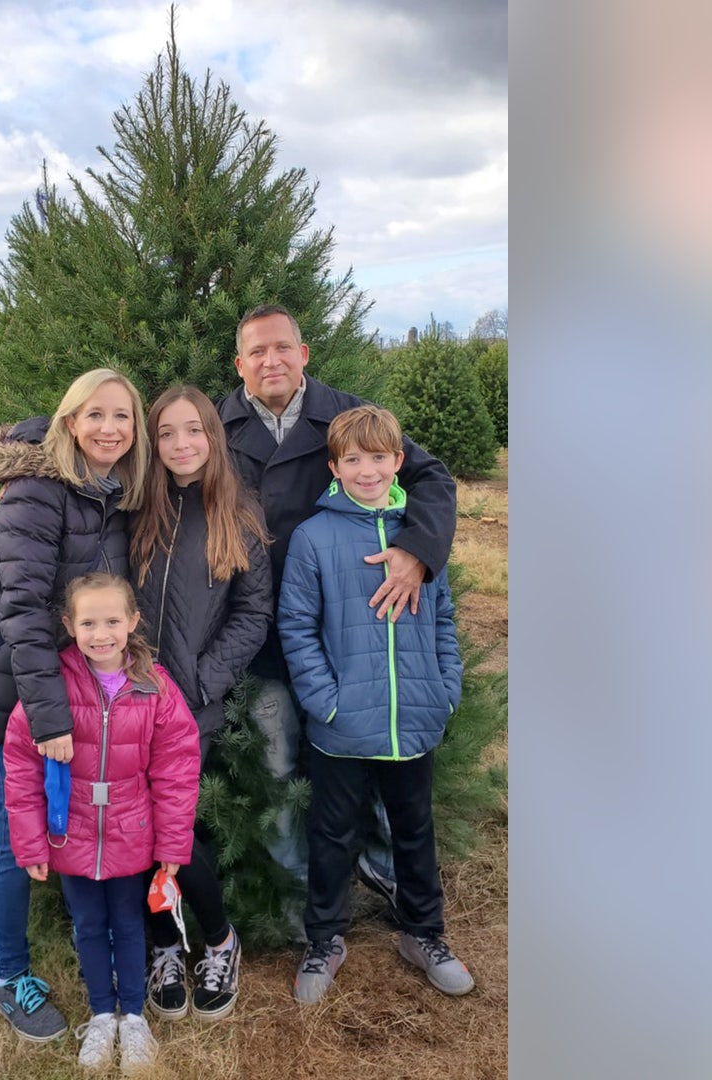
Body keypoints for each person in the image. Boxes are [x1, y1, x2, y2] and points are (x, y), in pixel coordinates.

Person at [216, 305, 457, 908]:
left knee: (371, 756)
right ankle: (304, 888)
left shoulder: (345, 416)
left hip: (357, 632)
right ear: (240, 365)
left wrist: (416, 552)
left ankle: (380, 868)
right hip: (263, 633)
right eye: (256, 352)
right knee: (278, 765)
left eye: (282, 348)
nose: (271, 360)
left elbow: (433, 479)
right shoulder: (214, 427)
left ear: (304, 354)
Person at [0, 369, 147, 1042]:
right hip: (17, 690)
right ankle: (9, 977)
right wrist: (49, 719)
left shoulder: (109, 495)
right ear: (71, 421)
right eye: (96, 414)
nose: (109, 428)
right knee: (14, 837)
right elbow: (24, 611)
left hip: (71, 694)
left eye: (122, 417)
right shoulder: (36, 491)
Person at [275, 405, 472, 1004]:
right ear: (334, 467)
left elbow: (442, 619)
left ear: (398, 462)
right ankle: (325, 940)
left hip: (415, 716)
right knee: (332, 833)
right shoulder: (315, 537)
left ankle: (424, 933)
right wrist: (324, 702)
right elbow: (297, 626)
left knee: (414, 828)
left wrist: (445, 689)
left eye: (378, 458)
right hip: (341, 725)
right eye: (353, 460)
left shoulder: (420, 535)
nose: (367, 470)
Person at [4, 573, 201, 1074]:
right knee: (89, 924)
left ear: (132, 622)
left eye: (113, 621)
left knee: (130, 923)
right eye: (88, 622)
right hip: (69, 834)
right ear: (69, 625)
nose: (101, 633)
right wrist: (30, 846)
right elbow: (22, 768)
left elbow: (177, 770)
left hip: (131, 833)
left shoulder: (154, 687)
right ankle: (100, 1014)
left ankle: (133, 1016)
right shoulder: (51, 689)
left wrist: (173, 845)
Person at [128, 385, 272, 1021]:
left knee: (175, 830)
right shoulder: (136, 507)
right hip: (124, 701)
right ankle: (163, 943)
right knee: (133, 830)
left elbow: (253, 612)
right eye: (166, 433)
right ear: (151, 442)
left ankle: (217, 939)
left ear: (213, 436)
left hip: (191, 706)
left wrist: (202, 681)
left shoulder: (237, 513)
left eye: (194, 430)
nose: (181, 444)